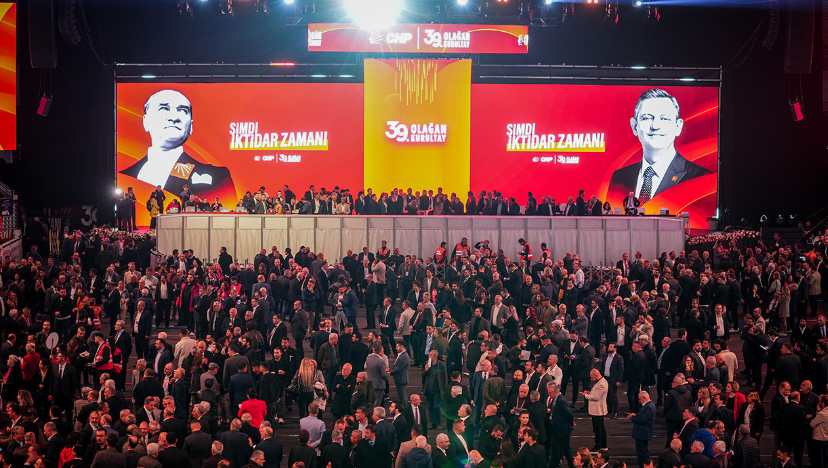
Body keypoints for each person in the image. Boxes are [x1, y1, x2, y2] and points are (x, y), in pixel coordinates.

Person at [119, 89, 236, 219]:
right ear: (146, 121)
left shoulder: (219, 176)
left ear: (191, 126)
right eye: (164, 109)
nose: (174, 118)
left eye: (182, 110)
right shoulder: (125, 176)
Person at [608, 88, 711, 207]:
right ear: (635, 126)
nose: (655, 126)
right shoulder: (619, 178)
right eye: (647, 118)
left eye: (664, 118)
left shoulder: (700, 178)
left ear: (678, 126)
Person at [582, 368, 608, 450]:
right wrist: (589, 393)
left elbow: (596, 397)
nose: (591, 379)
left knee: (598, 429)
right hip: (597, 409)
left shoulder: (601, 384)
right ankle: (603, 444)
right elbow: (596, 394)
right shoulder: (600, 382)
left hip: (598, 410)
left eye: (592, 377)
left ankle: (598, 445)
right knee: (600, 428)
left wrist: (586, 396)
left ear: (596, 375)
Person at [629, 391, 656, 468]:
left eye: (640, 399)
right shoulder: (649, 405)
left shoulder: (648, 407)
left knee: (642, 454)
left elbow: (642, 420)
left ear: (644, 397)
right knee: (642, 452)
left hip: (642, 434)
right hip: (642, 433)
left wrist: (632, 417)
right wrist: (636, 416)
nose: (639, 401)